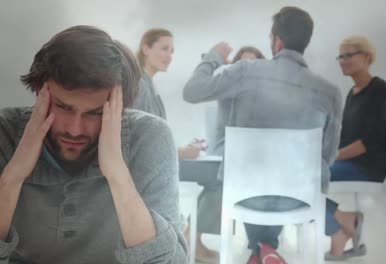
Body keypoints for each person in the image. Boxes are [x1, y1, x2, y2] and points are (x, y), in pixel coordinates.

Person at [0, 25, 188, 264]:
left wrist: (118, 176)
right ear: (39, 91)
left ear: (120, 109)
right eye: (63, 107)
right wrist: (13, 175)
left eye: (96, 113)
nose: (74, 129)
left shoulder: (150, 138)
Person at [183, 6, 343, 263]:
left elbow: (191, 91)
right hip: (299, 198)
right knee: (276, 181)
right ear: (305, 42)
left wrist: (213, 57)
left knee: (253, 180)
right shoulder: (331, 92)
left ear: (276, 41)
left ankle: (261, 249)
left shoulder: (246, 71)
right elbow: (329, 156)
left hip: (245, 195)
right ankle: (265, 248)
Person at [181, 46, 266, 263]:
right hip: (223, 160)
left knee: (229, 176)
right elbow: (194, 89)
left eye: (253, 63)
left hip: (246, 164)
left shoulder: (267, 96)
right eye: (241, 64)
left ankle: (191, 238)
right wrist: (214, 59)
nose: (247, 69)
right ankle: (191, 238)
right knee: (226, 176)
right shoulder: (230, 85)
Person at [324, 35, 386, 261]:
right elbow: (347, 137)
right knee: (306, 173)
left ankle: (343, 225)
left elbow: (368, 143)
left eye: (349, 55)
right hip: (352, 161)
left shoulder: (379, 90)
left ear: (366, 56)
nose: (343, 60)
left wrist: (331, 158)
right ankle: (343, 224)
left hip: (367, 165)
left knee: (309, 178)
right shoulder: (353, 92)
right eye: (340, 56)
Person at [132, 28, 203, 159]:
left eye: (172, 51)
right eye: (164, 49)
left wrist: (180, 150)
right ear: (146, 49)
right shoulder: (140, 85)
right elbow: (138, 140)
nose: (169, 56)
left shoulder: (149, 84)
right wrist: (179, 153)